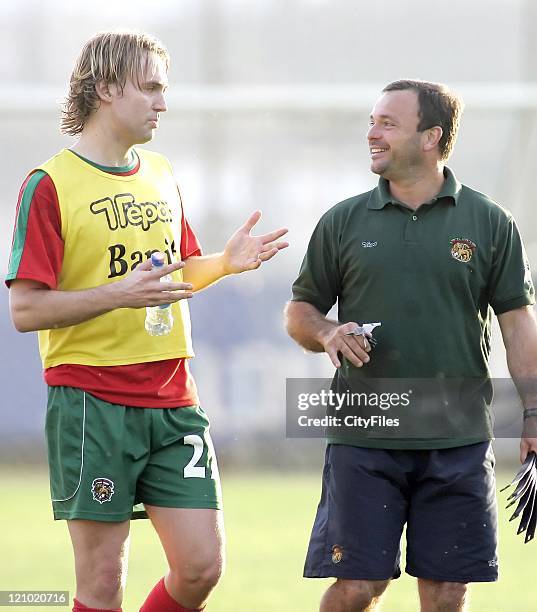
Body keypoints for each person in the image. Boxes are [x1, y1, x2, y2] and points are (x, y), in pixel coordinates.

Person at [6, 30, 288, 612]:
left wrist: (225, 264)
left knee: (201, 568)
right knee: (102, 585)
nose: (164, 103)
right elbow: (26, 309)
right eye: (152, 88)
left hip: (174, 398)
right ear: (107, 87)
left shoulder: (160, 171)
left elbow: (177, 272)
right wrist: (117, 295)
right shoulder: (49, 185)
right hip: (93, 403)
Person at [285, 79, 537, 611]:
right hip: (365, 434)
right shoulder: (344, 220)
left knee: (447, 591)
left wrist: (535, 413)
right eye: (372, 121)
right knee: (358, 586)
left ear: (431, 137)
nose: (371, 133)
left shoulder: (490, 222)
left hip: (458, 438)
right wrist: (328, 332)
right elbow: (300, 311)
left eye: (387, 123)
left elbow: (518, 326)